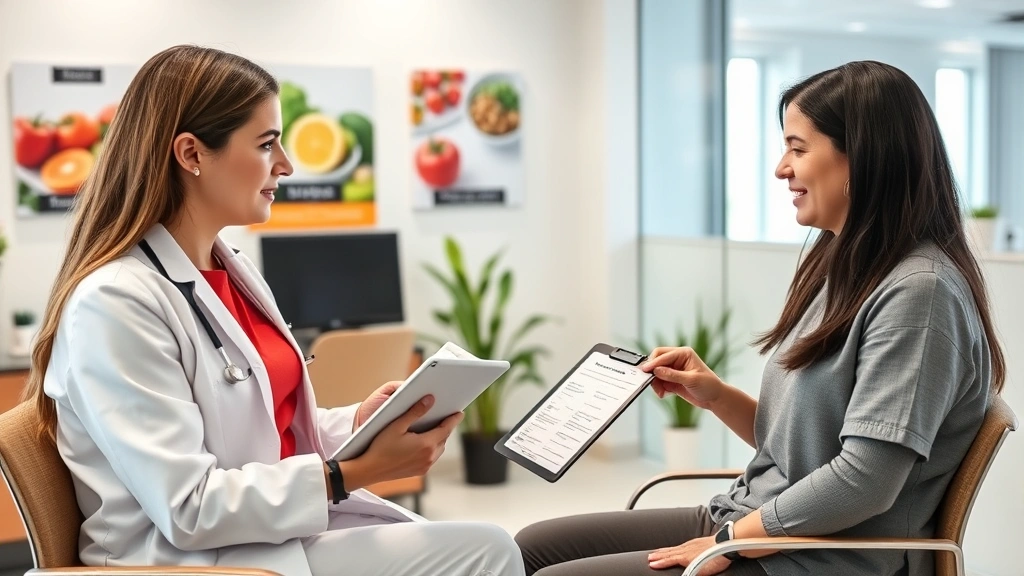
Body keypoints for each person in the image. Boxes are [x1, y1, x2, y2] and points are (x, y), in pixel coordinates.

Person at [23, 45, 525, 576]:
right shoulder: (115, 303)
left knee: (480, 544)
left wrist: (358, 424)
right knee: (487, 549)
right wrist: (346, 475)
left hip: (267, 534)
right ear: (191, 154)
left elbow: (265, 436)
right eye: (267, 145)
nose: (286, 165)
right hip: (191, 559)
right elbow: (188, 508)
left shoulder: (232, 272)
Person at [515, 60, 1006, 576]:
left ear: (861, 157)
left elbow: (865, 481)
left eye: (797, 148)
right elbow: (802, 451)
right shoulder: (842, 266)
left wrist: (728, 542)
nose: (781, 168)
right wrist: (715, 396)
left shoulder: (919, 295)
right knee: (533, 546)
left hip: (824, 555)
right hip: (759, 521)